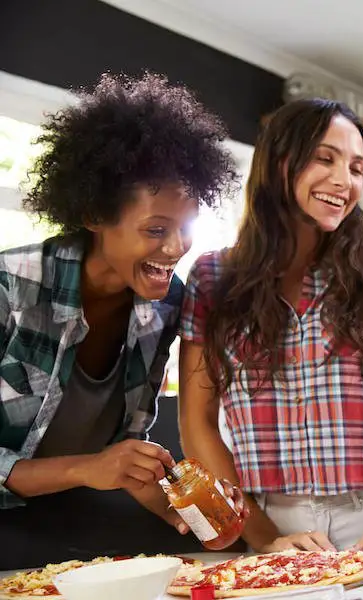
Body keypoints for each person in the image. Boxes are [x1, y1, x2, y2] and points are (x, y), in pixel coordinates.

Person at [0, 72, 248, 569]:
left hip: (72, 512)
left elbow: (123, 453)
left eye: (185, 229)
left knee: (217, 560)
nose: (176, 249)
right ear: (94, 213)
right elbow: (100, 466)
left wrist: (192, 513)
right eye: (155, 229)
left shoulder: (164, 305)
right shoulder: (11, 286)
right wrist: (89, 468)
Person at [178, 98, 363, 560]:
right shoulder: (213, 279)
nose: (345, 181)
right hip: (271, 520)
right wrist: (261, 535)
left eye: (358, 168)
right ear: (279, 162)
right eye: (325, 158)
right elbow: (196, 422)